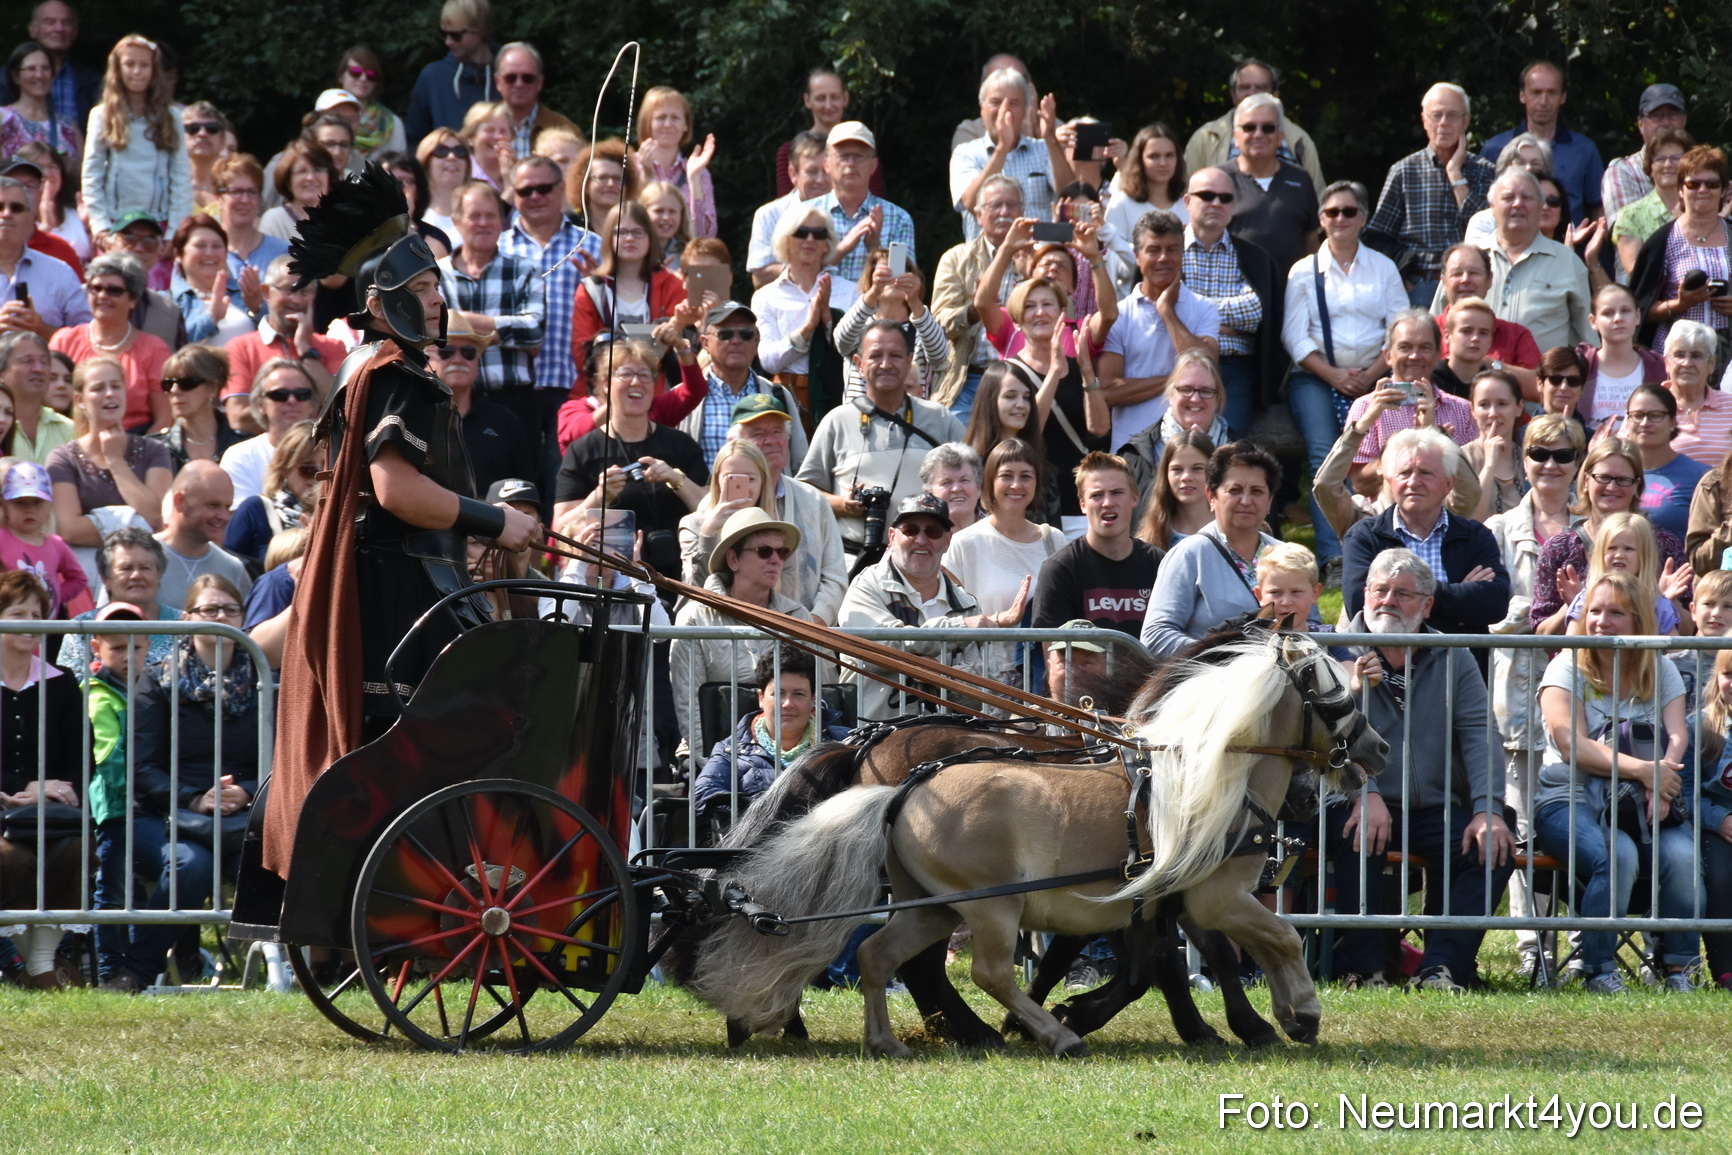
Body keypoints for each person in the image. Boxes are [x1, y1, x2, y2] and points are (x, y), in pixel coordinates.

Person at [264, 161, 538, 875]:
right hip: (403, 595)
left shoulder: (375, 368)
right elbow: (397, 490)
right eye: (417, 289)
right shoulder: (397, 375)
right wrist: (494, 521)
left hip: (393, 588)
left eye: (434, 286)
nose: (435, 299)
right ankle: (458, 874)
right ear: (381, 304)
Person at [1329, 547, 1514, 992]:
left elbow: (1478, 733)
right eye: (1379, 590)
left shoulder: (1453, 655)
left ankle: (1441, 968)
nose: (1388, 600)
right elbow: (1326, 740)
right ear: (1363, 595)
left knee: (1495, 838)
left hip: (1435, 807)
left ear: (1427, 605)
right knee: (1357, 833)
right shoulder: (1333, 651)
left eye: (1403, 593)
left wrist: (1487, 809)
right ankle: (1367, 972)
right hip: (1357, 798)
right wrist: (1364, 792)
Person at [1534, 570, 1696, 995]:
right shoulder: (1565, 668)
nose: (1602, 621)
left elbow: (1678, 733)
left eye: (1616, 613)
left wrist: (1663, 775)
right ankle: (1599, 970)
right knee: (1617, 853)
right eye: (1595, 611)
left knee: (1682, 854)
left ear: (1640, 621)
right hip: (1568, 799)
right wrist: (1644, 771)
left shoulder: (1661, 669)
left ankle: (1680, 967)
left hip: (1642, 797)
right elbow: (1573, 746)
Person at [104, 575, 265, 994]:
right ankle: (137, 972)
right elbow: (142, 770)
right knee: (191, 866)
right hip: (160, 813)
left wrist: (246, 790)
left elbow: (278, 760)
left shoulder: (264, 680)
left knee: (266, 863)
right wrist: (197, 798)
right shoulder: (157, 682)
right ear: (189, 618)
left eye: (230, 609)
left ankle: (289, 969)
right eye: (209, 610)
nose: (220, 618)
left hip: (240, 812)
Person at [1484, 411, 1585, 979]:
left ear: (1578, 463)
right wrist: (1549, 611)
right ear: (1523, 461)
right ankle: (1531, 949)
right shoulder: (1498, 529)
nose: (1550, 466)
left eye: (1562, 455)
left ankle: (1576, 943)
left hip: (1583, 697)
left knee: (1578, 818)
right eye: (1538, 455)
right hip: (1517, 697)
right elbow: (1491, 618)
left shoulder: (1597, 529)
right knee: (1521, 824)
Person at [1283, 179, 1409, 570]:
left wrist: (1372, 373)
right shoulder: (1304, 271)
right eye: (1332, 212)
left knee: (1383, 454)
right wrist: (1335, 376)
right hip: (1316, 377)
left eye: (1349, 211)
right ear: (1321, 219)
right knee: (1326, 455)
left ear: (1364, 218)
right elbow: (1293, 334)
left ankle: (1381, 542)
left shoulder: (1383, 267)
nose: (1340, 218)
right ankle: (1334, 557)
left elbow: (1399, 325)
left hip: (1376, 374)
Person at [837, 493, 1021, 720]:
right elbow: (875, 645)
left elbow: (982, 689)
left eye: (932, 532)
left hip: (947, 742)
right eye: (911, 530)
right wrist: (959, 630)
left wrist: (944, 678)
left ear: (947, 541)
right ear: (892, 537)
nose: (921, 540)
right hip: (872, 734)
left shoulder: (967, 605)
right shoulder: (866, 585)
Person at [797, 320, 965, 552]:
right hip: (853, 559)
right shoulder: (837, 421)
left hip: (927, 557)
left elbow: (972, 479)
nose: (886, 364)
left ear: (909, 362)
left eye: (895, 356)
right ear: (858, 364)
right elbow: (804, 491)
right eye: (875, 356)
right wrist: (843, 505)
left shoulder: (940, 419)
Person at [552, 338, 706, 577]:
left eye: (645, 375)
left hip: (680, 576)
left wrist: (677, 480)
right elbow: (560, 529)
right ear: (605, 384)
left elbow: (711, 511)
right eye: (625, 374)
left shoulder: (681, 444)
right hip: (611, 580)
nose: (636, 382)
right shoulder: (583, 451)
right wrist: (599, 497)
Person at [0, 568, 88, 990]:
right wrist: (20, 789)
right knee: (11, 859)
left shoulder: (63, 683)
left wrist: (53, 788)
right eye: (18, 613)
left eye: (38, 614)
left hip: (50, 814)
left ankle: (39, 965)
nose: (31, 623)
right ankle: (13, 960)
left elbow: (79, 758)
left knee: (75, 851)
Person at [1342, 426, 1511, 640]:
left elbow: (1494, 604)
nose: (1413, 482)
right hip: (1384, 670)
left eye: (1425, 473)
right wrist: (1457, 599)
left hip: (1457, 669)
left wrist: (1403, 598)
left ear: (1448, 483)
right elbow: (1359, 606)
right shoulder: (1365, 536)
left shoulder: (1475, 536)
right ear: (1391, 481)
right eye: (1404, 473)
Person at [670, 506, 815, 753]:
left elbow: (814, 697)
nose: (776, 560)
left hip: (787, 756)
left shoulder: (798, 617)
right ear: (733, 559)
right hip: (712, 755)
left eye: (782, 552)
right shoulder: (693, 618)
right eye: (764, 551)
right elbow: (689, 706)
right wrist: (714, 763)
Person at [436, 181, 544, 468]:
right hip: (448, 400)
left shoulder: (524, 269)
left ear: (502, 221)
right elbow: (432, 327)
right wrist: (502, 331)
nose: (483, 223)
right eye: (475, 216)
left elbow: (534, 331)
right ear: (457, 221)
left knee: (520, 488)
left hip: (513, 399)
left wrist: (463, 320)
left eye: (491, 215)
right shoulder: (436, 275)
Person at [1140, 440, 1283, 656]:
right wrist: (1218, 658)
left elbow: (1310, 625)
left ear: (1270, 500)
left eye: (1257, 491)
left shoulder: (1286, 555)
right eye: (1234, 490)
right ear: (1211, 496)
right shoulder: (1190, 554)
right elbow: (1156, 635)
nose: (1246, 500)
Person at [1531, 437, 1687, 634]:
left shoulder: (1665, 544)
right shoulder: (1560, 548)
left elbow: (1689, 633)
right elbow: (1541, 637)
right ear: (1586, 481)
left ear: (1637, 486)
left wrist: (1667, 600)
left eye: (1622, 480)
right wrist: (1576, 604)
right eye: (1603, 478)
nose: (1612, 488)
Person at [1364, 83, 1497, 305]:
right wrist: (1406, 275)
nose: (1443, 123)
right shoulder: (1404, 171)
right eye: (1436, 115)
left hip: (1474, 286)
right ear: (1424, 120)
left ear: (1466, 121)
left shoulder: (1486, 171)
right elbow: (1377, 238)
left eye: (1452, 115)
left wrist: (1456, 175)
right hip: (1421, 285)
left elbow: (1486, 229)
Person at [1098, 210, 1219, 450]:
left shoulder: (1205, 308)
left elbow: (1207, 369)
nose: (1163, 258)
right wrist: (1176, 381)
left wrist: (1166, 311)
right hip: (1131, 453)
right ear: (1137, 256)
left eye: (1172, 249)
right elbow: (1107, 391)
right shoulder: (1119, 315)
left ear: (1182, 254)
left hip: (1188, 452)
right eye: (1153, 250)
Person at [1175, 166, 1279, 439]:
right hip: (1174, 362)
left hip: (1235, 368)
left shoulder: (1255, 257)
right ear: (1187, 201)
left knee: (1229, 442)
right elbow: (1165, 308)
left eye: (1225, 198)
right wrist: (1227, 324)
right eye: (1207, 195)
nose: (1217, 203)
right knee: (1173, 440)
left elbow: (1256, 312)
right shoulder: (1167, 251)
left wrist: (1197, 313)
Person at [691, 643, 851, 820]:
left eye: (798, 694)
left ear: (813, 699)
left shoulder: (844, 743)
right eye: (778, 694)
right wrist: (756, 816)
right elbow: (703, 796)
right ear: (761, 698)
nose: (788, 703)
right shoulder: (731, 750)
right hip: (754, 844)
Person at [944, 438, 1061, 677]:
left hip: (1043, 679)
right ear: (989, 481)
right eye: (1006, 475)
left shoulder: (1054, 540)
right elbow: (949, 620)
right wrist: (1000, 619)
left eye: (1026, 476)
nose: (1016, 485)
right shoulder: (964, 543)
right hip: (985, 681)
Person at [725, 393, 847, 622]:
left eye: (777, 432)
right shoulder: (717, 506)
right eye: (758, 434)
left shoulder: (814, 499)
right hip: (737, 641)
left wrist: (812, 625)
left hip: (809, 642)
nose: (770, 440)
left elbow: (835, 575)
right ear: (735, 444)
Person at [46, 353, 171, 574]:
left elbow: (156, 518)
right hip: (88, 574)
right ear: (80, 400)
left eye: (116, 386)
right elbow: (70, 529)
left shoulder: (155, 451)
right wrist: (136, 526)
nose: (110, 394)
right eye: (98, 388)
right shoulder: (63, 458)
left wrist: (116, 461)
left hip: (145, 572)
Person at [1031, 450, 1162, 642]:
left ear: (1135, 498)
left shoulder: (1159, 564)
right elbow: (1053, 660)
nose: (1107, 503)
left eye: (1117, 493)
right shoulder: (1060, 568)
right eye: (1097, 495)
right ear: (1082, 504)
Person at [1340, 311, 1476, 491]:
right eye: (1405, 347)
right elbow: (1359, 484)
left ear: (1438, 355)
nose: (1415, 356)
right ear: (1388, 355)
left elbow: (1472, 485)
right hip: (1384, 515)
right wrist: (1405, 453)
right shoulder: (1366, 408)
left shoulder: (1463, 410)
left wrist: (1437, 439)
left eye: (1425, 347)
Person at [568, 201, 685, 399]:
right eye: (621, 232)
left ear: (650, 237)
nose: (630, 238)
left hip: (658, 395)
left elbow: (677, 348)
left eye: (638, 232)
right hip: (601, 396)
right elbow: (583, 353)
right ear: (608, 239)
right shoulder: (590, 288)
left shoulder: (672, 284)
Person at [929, 174, 1023, 417]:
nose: (1004, 211)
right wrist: (976, 309)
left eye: (1011, 205)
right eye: (995, 205)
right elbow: (939, 323)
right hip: (969, 379)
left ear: (1022, 211)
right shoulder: (957, 259)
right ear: (979, 216)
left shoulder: (1037, 258)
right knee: (959, 450)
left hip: (1026, 377)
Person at [752, 207, 858, 419]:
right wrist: (807, 329)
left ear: (827, 243)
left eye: (818, 234)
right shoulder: (766, 296)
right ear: (785, 239)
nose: (810, 239)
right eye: (801, 232)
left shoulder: (849, 291)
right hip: (784, 400)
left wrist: (828, 320)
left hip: (837, 397)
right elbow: (768, 361)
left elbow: (857, 352)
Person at [1473, 169, 1594, 355]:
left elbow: (1587, 341)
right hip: (1472, 381)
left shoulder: (1567, 262)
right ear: (1492, 207)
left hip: (1544, 380)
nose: (1518, 204)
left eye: (1527, 198)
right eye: (1508, 197)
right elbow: (1438, 325)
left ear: (1540, 207)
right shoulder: (1470, 258)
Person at [79, 35, 188, 239]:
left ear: (154, 70)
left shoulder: (171, 116)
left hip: (158, 222)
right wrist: (100, 225)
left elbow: (180, 175)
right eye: (129, 64)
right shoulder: (102, 115)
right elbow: (91, 174)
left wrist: (174, 232)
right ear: (117, 69)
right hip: (115, 222)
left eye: (144, 65)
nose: (137, 72)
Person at [48, 251, 171, 431]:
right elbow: (47, 405)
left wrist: (137, 454)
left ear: (133, 299)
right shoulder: (64, 341)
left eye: (114, 290)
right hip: (71, 443)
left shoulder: (154, 349)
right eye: (96, 288)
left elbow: (164, 419)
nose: (103, 296)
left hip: (135, 446)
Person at [1632, 145, 1732, 361]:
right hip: (1676, 354)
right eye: (1693, 184)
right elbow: (1637, 309)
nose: (1702, 190)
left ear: (1724, 190)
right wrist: (1678, 305)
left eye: (1712, 184)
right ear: (1680, 189)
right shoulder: (1663, 240)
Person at [948, 68, 1072, 241]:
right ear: (982, 109)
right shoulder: (966, 153)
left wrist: (1051, 138)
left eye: (1014, 103)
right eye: (996, 102)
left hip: (1037, 260)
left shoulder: (1044, 149)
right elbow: (971, 203)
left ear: (1025, 111)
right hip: (988, 264)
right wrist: (1002, 147)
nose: (1004, 110)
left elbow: (1070, 197)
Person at [1480, 62, 1605, 224]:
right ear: (1522, 95)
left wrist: (1593, 242)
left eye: (1552, 93)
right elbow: (1482, 206)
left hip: (1569, 246)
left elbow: (1599, 206)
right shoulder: (1496, 149)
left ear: (1563, 97)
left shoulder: (1584, 150)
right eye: (1536, 93)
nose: (1543, 101)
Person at [1214, 93, 1319, 277]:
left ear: (1280, 137)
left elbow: (1311, 244)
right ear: (1235, 137)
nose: (1258, 134)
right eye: (1249, 127)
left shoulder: (1301, 179)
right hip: (1233, 297)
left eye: (1268, 128)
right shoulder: (1218, 180)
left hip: (1293, 297)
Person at [54, 526, 182, 676]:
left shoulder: (183, 625)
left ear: (159, 575)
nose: (136, 575)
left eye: (145, 568)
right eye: (126, 568)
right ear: (106, 579)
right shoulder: (82, 630)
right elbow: (73, 689)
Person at [1183, 59, 1324, 193]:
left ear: (1275, 94)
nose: (1252, 93)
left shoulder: (1299, 140)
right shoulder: (1206, 138)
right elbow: (1185, 195)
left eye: (1260, 87)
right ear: (1233, 95)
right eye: (1244, 87)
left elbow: (1317, 200)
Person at [1594, 385, 1709, 541]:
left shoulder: (1700, 476)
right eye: (1637, 415)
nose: (1645, 423)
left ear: (1673, 422)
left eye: (1655, 415)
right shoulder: (1611, 474)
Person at [835, 246, 949, 402]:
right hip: (860, 419)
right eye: (884, 271)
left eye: (902, 269)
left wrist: (915, 301)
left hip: (910, 419)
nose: (893, 277)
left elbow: (939, 356)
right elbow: (841, 341)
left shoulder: (922, 324)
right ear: (871, 277)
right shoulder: (859, 323)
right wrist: (874, 291)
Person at [804, 122, 913, 285]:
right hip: (815, 308)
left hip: (875, 310)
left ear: (873, 165)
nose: (851, 163)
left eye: (859, 156)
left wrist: (875, 248)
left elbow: (902, 285)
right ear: (827, 164)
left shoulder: (898, 219)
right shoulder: (806, 214)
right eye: (843, 155)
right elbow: (795, 277)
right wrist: (841, 250)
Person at [1434, 243, 1541, 396]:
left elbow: (1540, 389)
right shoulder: (1426, 331)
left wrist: (1488, 365)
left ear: (1489, 279)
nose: (1465, 280)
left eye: (1474, 273)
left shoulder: (1515, 334)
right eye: (1457, 273)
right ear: (1444, 281)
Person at [1561, 512, 1689, 638]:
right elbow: (1569, 650)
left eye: (1628, 549)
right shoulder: (1585, 599)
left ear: (1644, 556)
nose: (1619, 555)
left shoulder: (1658, 604)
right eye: (1612, 548)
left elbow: (1676, 653)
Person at [1688, 644, 1732, 989]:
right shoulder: (1701, 727)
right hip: (1713, 826)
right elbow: (1686, 794)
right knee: (1719, 878)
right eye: (1728, 674)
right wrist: (1719, 820)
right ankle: (1724, 968)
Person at [0, 171, 88, 340]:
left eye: (16, 208)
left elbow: (84, 343)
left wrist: (41, 329)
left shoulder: (60, 273)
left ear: (31, 217)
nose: (6, 214)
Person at [677, 437, 776, 586]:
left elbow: (785, 589)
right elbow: (696, 586)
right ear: (717, 481)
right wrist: (708, 534)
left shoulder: (775, 526)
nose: (742, 487)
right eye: (731, 478)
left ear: (763, 482)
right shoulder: (693, 525)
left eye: (750, 479)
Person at [218, 359, 317, 504]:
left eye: (302, 394)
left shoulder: (333, 452)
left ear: (312, 404)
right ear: (260, 405)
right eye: (280, 394)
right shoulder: (240, 457)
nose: (292, 400)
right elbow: (244, 520)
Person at [225, 419, 319, 566]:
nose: (317, 478)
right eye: (308, 469)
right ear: (285, 468)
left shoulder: (341, 514)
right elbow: (230, 567)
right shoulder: (255, 509)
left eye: (326, 470)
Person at [405, 0, 497, 146]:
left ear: (480, 30)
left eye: (456, 35)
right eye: (445, 34)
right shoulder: (433, 77)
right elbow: (414, 140)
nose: (448, 42)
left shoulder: (512, 76)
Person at [0, 459, 85, 613]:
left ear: (50, 506)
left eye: (37, 502)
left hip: (46, 624)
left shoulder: (56, 544)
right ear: (4, 506)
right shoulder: (2, 539)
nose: (29, 510)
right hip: (8, 622)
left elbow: (79, 579)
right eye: (20, 502)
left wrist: (54, 597)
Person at [632, 86, 715, 240]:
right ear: (647, 123)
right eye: (661, 117)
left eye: (675, 118)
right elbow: (627, 226)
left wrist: (693, 180)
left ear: (685, 125)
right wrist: (646, 176)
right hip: (641, 256)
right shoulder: (629, 167)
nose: (668, 124)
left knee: (713, 265)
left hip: (684, 256)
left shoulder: (699, 172)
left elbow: (705, 236)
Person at [750, 130, 832, 288]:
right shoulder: (769, 215)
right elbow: (760, 279)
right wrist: (804, 267)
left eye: (826, 172)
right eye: (812, 172)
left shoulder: (846, 214)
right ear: (793, 174)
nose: (820, 180)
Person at [1579, 284, 1667, 429]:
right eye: (1608, 313)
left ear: (1637, 316)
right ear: (1593, 321)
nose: (1618, 318)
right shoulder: (1581, 366)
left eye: (1625, 311)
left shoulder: (1660, 368)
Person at [1603, 84, 1688, 223]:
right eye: (1656, 116)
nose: (1666, 123)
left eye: (1673, 114)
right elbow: (1626, 233)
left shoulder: (1701, 169)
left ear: (1684, 120)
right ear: (1640, 124)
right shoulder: (1623, 171)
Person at [1612, 129, 1690, 281]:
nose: (1668, 164)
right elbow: (1636, 272)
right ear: (1650, 167)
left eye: (1676, 158)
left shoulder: (1703, 210)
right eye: (1660, 159)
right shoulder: (1631, 216)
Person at [167, 215, 252, 348]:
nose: (209, 253)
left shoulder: (246, 292)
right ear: (178, 254)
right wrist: (211, 318)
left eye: (217, 246)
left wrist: (259, 307)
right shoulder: (167, 301)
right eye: (200, 246)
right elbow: (169, 346)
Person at [209, 153, 286, 284]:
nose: (245, 200)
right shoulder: (207, 252)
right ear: (218, 198)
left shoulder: (282, 252)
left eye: (251, 192)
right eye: (236, 191)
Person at [1461, 368, 1527, 521]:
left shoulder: (1531, 459)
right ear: (1472, 409)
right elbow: (1472, 520)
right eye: (1484, 404)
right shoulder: (1460, 459)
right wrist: (1490, 465)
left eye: (1502, 404)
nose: (1493, 413)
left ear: (1518, 407)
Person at [1133, 429, 1214, 551]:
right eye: (1177, 469)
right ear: (1166, 474)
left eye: (1197, 468)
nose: (1186, 477)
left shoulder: (1231, 532)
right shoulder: (1148, 541)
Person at [1106, 123, 1188, 241]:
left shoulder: (1189, 204)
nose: (1163, 163)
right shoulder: (1121, 204)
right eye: (1154, 156)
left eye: (1169, 155)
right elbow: (1111, 254)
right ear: (1139, 160)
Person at [1, 330, 73, 464]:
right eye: (27, 361)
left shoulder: (70, 430)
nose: (38, 369)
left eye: (44, 362)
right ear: (1, 373)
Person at [2, 41, 81, 162]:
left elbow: (86, 173)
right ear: (16, 76)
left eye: (45, 68)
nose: (39, 75)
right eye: (31, 69)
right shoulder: (3, 119)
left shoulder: (68, 126)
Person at [25, 3, 98, 130]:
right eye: (50, 22)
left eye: (66, 23)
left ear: (75, 32)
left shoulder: (92, 82)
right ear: (33, 29)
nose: (59, 28)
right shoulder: (6, 80)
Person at [257, 139, 337, 243]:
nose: (311, 177)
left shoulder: (341, 218)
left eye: (318, 169)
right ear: (288, 181)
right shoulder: (274, 221)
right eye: (302, 171)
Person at [334, 45, 405, 160]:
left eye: (371, 75)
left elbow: (399, 170)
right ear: (341, 76)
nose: (363, 78)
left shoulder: (392, 124)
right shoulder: (325, 115)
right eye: (355, 72)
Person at [563, 138, 636, 231]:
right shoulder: (569, 223)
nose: (611, 184)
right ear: (585, 184)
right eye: (602, 178)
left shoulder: (635, 225)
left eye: (618, 178)